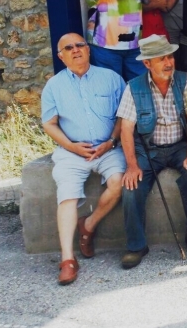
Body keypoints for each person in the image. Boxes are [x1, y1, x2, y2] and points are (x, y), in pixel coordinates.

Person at [41, 33, 126, 285]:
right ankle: (68, 259)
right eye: (69, 47)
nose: (76, 50)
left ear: (88, 50)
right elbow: (49, 123)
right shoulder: (53, 86)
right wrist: (72, 147)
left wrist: (111, 141)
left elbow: (124, 115)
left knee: (119, 182)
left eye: (80, 45)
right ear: (61, 56)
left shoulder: (111, 78)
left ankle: (88, 225)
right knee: (67, 195)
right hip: (71, 153)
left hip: (108, 148)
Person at [117, 34, 187, 269]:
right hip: (148, 150)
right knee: (131, 186)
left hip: (179, 146)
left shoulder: (184, 80)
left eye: (170, 57)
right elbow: (126, 129)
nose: (168, 63)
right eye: (161, 59)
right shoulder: (133, 87)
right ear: (147, 63)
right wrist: (132, 165)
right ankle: (136, 245)